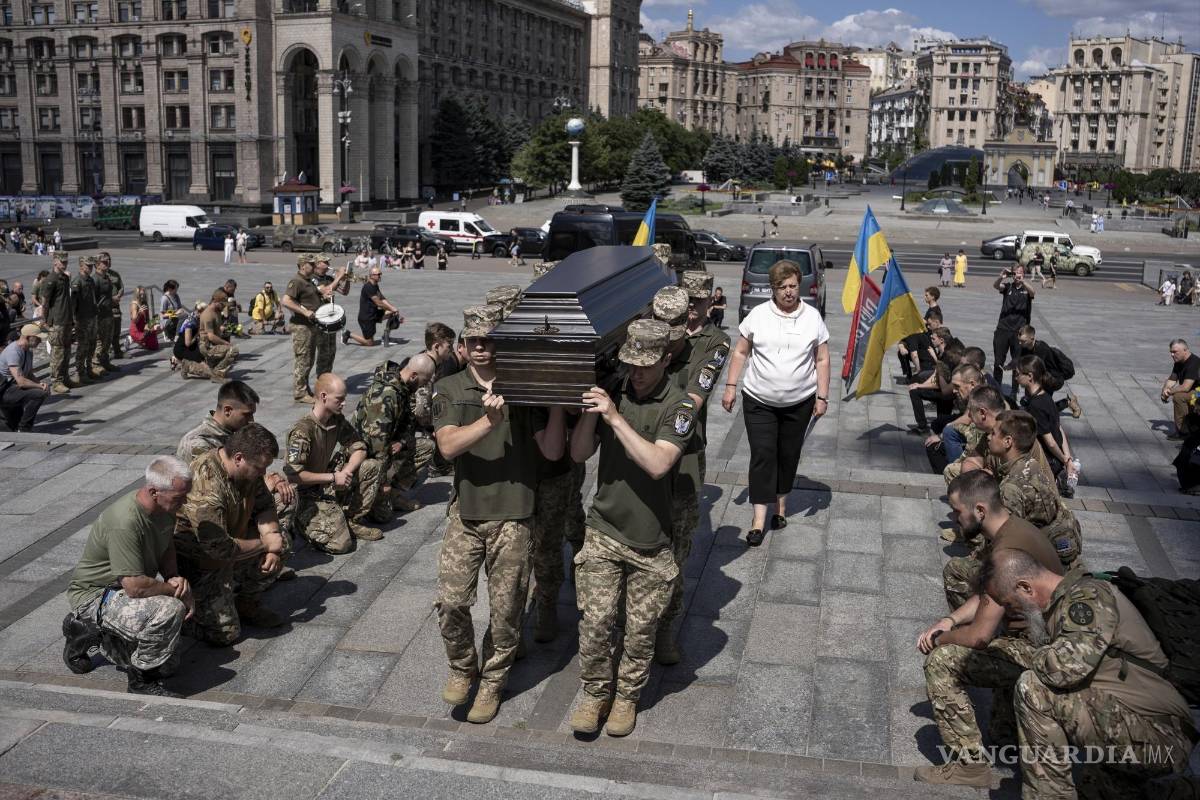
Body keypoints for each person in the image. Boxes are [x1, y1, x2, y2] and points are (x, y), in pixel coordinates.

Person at [432, 304, 565, 725]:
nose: (483, 349)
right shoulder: (450, 387)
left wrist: (558, 403)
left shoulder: (523, 390)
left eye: (490, 341)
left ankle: (492, 681)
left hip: (514, 515)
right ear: (464, 347)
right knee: (452, 601)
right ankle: (462, 665)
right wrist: (489, 422)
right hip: (467, 513)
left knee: (506, 610)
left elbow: (553, 451)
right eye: (475, 342)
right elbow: (448, 447)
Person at [978, 548, 1197, 798]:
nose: (1010, 611)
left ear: (1025, 587)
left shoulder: (1088, 597)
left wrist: (1025, 654)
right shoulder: (1060, 604)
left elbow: (1062, 670)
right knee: (1097, 792)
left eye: (1008, 603)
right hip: (1131, 724)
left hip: (1160, 735)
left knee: (1034, 688)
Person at [567, 319, 693, 736]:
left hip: (651, 539)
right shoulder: (615, 389)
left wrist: (616, 418)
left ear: (664, 359)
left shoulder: (681, 407)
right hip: (604, 527)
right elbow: (579, 453)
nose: (635, 372)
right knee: (597, 621)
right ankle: (594, 693)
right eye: (630, 363)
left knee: (640, 633)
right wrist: (591, 414)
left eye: (645, 365)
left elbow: (658, 464)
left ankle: (626, 698)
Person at [913, 471, 1065, 787]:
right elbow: (988, 595)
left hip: (1042, 648)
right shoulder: (1011, 529)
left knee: (941, 663)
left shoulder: (1004, 552)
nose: (954, 518)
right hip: (1042, 637)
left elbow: (979, 636)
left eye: (958, 511)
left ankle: (970, 767)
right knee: (1000, 734)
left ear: (980, 510)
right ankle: (1009, 731)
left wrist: (941, 638)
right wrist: (951, 619)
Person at [62, 457, 195, 696]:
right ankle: (140, 681)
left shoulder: (165, 507)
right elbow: (135, 588)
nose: (184, 503)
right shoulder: (125, 521)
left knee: (169, 666)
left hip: (124, 589)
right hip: (95, 595)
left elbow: (166, 545)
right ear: (154, 492)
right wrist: (177, 591)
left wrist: (174, 576)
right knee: (170, 610)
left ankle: (100, 636)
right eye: (179, 497)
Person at [721, 260, 830, 546]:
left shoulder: (812, 317)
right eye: (782, 287)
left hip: (799, 402)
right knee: (763, 455)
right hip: (759, 400)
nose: (789, 292)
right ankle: (758, 520)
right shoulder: (758, 315)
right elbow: (741, 353)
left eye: (793, 286)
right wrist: (731, 386)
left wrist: (822, 395)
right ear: (773, 288)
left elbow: (822, 358)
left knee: (787, 454)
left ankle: (780, 507)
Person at [656, 272, 729, 663]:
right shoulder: (655, 330)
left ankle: (665, 629)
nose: (694, 308)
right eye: (690, 300)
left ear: (709, 302)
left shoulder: (714, 342)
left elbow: (694, 398)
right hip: (641, 448)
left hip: (684, 454)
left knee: (676, 549)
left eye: (701, 301)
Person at [173, 423, 289, 644]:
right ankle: (186, 618)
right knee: (225, 635)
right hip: (200, 563)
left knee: (282, 542)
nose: (264, 473)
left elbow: (264, 506)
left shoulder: (248, 472)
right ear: (238, 458)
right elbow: (218, 548)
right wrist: (265, 544)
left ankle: (245, 601)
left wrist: (273, 544)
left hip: (232, 545)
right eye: (260, 467)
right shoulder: (207, 484)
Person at [284, 372, 383, 554]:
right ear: (323, 397)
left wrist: (345, 472)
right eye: (339, 399)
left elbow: (359, 448)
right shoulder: (303, 431)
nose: (344, 403)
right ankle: (301, 522)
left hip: (328, 483)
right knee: (341, 545)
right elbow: (294, 475)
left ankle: (352, 520)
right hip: (305, 495)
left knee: (371, 466)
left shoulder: (336, 420)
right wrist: (332, 477)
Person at [175, 380, 296, 523]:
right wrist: (265, 485)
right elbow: (219, 486)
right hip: (209, 511)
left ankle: (272, 538)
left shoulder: (236, 432)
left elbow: (249, 466)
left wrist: (274, 478)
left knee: (286, 495)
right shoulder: (197, 444)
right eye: (247, 414)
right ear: (227, 410)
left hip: (238, 499)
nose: (251, 420)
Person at [980, 409, 1083, 573]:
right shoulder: (1033, 465)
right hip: (1057, 552)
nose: (988, 437)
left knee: (958, 570)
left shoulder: (1011, 487)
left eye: (993, 433)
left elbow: (1005, 539)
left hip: (1041, 565)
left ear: (1008, 441)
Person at [351, 355, 436, 521]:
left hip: (386, 448)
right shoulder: (386, 395)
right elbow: (377, 446)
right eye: (423, 382)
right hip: (366, 458)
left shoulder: (402, 388)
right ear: (413, 376)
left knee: (425, 446)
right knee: (383, 517)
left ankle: (394, 494)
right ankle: (370, 495)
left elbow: (409, 425)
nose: (423, 387)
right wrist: (383, 482)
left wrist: (402, 442)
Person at [1015, 356, 1076, 486]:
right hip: (1057, 459)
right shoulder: (1046, 397)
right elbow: (1059, 429)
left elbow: (1051, 443)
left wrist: (1066, 462)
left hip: (1048, 462)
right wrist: (1067, 457)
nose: (1015, 377)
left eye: (1017, 373)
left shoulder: (1036, 406)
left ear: (1030, 376)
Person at [281, 256, 324, 403]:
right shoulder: (297, 281)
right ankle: (299, 393)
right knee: (303, 359)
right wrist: (305, 312)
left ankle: (304, 388)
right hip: (301, 326)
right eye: (311, 265)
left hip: (310, 326)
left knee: (309, 359)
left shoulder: (308, 281)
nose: (314, 267)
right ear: (302, 266)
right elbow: (286, 301)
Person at [1016, 325, 1081, 417]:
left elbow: (1036, 367)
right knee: (1032, 406)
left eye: (1023, 341)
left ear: (1032, 338)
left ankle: (1068, 402)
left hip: (1051, 379)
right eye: (1019, 340)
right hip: (1036, 379)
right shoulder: (1025, 348)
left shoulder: (1042, 348)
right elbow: (1021, 361)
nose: (1020, 343)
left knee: (1045, 408)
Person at [991, 265, 1034, 393]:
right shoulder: (1008, 287)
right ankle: (996, 389)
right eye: (1015, 273)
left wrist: (1023, 281)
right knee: (998, 361)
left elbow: (1033, 292)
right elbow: (996, 286)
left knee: (1017, 363)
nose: (1017, 275)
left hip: (1019, 332)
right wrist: (1001, 277)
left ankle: (1014, 392)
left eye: (1020, 272)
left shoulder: (1026, 289)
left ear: (1023, 274)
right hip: (1003, 329)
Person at [0, 324, 48, 432]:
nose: (40, 341)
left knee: (11, 427)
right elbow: (21, 382)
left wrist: (41, 384)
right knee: (39, 394)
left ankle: (18, 425)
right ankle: (24, 428)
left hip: (13, 389)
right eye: (38, 338)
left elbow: (29, 374)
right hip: (5, 390)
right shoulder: (14, 351)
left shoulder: (28, 352)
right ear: (27, 337)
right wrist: (39, 387)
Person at [345, 267, 402, 347]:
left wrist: (393, 309)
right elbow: (378, 303)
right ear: (372, 276)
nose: (380, 276)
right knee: (369, 343)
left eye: (380, 274)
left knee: (392, 313)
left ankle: (385, 337)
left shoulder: (375, 285)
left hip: (374, 313)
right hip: (366, 318)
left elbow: (382, 298)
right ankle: (348, 334)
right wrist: (391, 308)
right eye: (378, 274)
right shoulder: (368, 287)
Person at [311, 255, 348, 374]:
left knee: (331, 351)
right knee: (323, 352)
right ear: (317, 264)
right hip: (319, 320)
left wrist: (346, 279)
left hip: (330, 319)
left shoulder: (328, 278)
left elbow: (344, 291)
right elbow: (325, 290)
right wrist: (339, 277)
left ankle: (327, 375)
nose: (328, 264)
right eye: (325, 262)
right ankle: (321, 378)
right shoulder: (313, 278)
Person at [1161, 338, 1199, 440]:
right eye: (1171, 352)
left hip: (1198, 392)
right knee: (1179, 394)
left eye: (1175, 352)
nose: (1172, 355)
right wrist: (1164, 390)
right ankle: (1186, 428)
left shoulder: (1194, 363)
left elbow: (1185, 387)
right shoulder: (1178, 362)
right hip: (1194, 391)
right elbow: (1172, 380)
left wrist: (1169, 392)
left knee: (1179, 396)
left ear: (1185, 350)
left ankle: (1183, 432)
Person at [197, 290, 238, 379]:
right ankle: (217, 371)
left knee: (209, 370)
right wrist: (227, 343)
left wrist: (225, 329)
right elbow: (210, 336)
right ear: (215, 301)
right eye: (222, 304)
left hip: (213, 343)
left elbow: (217, 327)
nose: (224, 307)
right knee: (233, 350)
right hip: (207, 346)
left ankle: (213, 366)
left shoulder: (217, 311)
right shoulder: (208, 315)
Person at [92, 257, 120, 374]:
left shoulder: (106, 278)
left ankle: (105, 361)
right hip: (99, 315)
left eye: (107, 262)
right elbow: (93, 299)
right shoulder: (95, 279)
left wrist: (113, 299)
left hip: (108, 313)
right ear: (97, 265)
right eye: (103, 262)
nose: (107, 263)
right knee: (99, 341)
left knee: (107, 340)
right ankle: (96, 364)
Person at [174, 303, 212, 380]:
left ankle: (185, 364)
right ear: (199, 312)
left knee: (205, 357)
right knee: (206, 371)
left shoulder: (197, 319)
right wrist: (197, 334)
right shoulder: (190, 323)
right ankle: (186, 367)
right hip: (182, 349)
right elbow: (187, 343)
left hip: (192, 347)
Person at [128, 286, 160, 352]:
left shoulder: (144, 303)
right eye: (140, 295)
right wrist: (139, 313)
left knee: (154, 347)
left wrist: (152, 325)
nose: (142, 296)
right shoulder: (134, 304)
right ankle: (132, 338)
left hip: (144, 327)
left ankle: (143, 342)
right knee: (146, 336)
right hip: (136, 329)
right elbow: (134, 321)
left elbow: (147, 320)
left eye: (143, 294)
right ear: (137, 295)